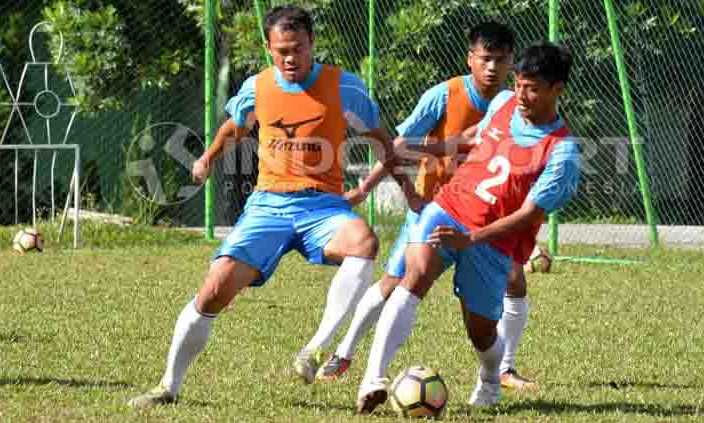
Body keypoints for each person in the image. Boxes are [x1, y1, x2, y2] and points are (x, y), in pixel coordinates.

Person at [127, 5, 419, 407]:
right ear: (268, 48)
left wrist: (408, 193)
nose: (290, 58)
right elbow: (236, 126)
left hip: (323, 207)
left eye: (298, 48)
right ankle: (168, 387)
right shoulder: (258, 86)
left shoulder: (344, 87)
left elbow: (384, 144)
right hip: (267, 206)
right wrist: (208, 157)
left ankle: (314, 350)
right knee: (214, 289)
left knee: (364, 242)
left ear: (312, 43)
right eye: (281, 50)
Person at [356, 41, 580, 413]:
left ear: (557, 89)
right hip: (447, 209)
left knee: (481, 332)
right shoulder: (503, 103)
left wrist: (470, 238)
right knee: (414, 275)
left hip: (491, 243)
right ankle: (373, 378)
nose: (522, 95)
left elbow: (527, 216)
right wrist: (415, 150)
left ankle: (491, 378)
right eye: (520, 84)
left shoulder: (562, 152)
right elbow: (468, 140)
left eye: (533, 88)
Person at [314, 22, 537, 391]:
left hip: (485, 218)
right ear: (471, 59)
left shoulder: (519, 105)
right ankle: (345, 350)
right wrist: (366, 189)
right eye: (485, 59)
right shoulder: (444, 95)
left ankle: (506, 368)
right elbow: (398, 146)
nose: (492, 67)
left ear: (512, 61)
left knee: (515, 279)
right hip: (435, 208)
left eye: (501, 59)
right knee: (394, 281)